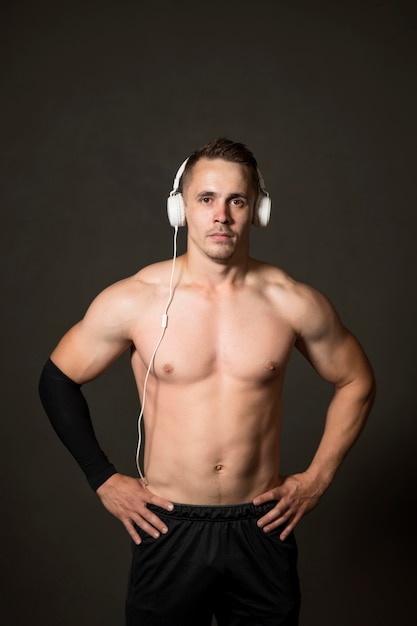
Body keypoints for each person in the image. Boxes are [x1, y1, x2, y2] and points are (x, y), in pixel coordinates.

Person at [39, 137, 376, 626]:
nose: (222, 215)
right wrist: (104, 479)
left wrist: (317, 478)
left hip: (262, 527)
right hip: (169, 525)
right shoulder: (137, 299)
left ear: (257, 210)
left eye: (237, 200)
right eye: (206, 199)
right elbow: (56, 380)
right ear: (181, 208)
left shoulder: (292, 301)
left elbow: (357, 382)